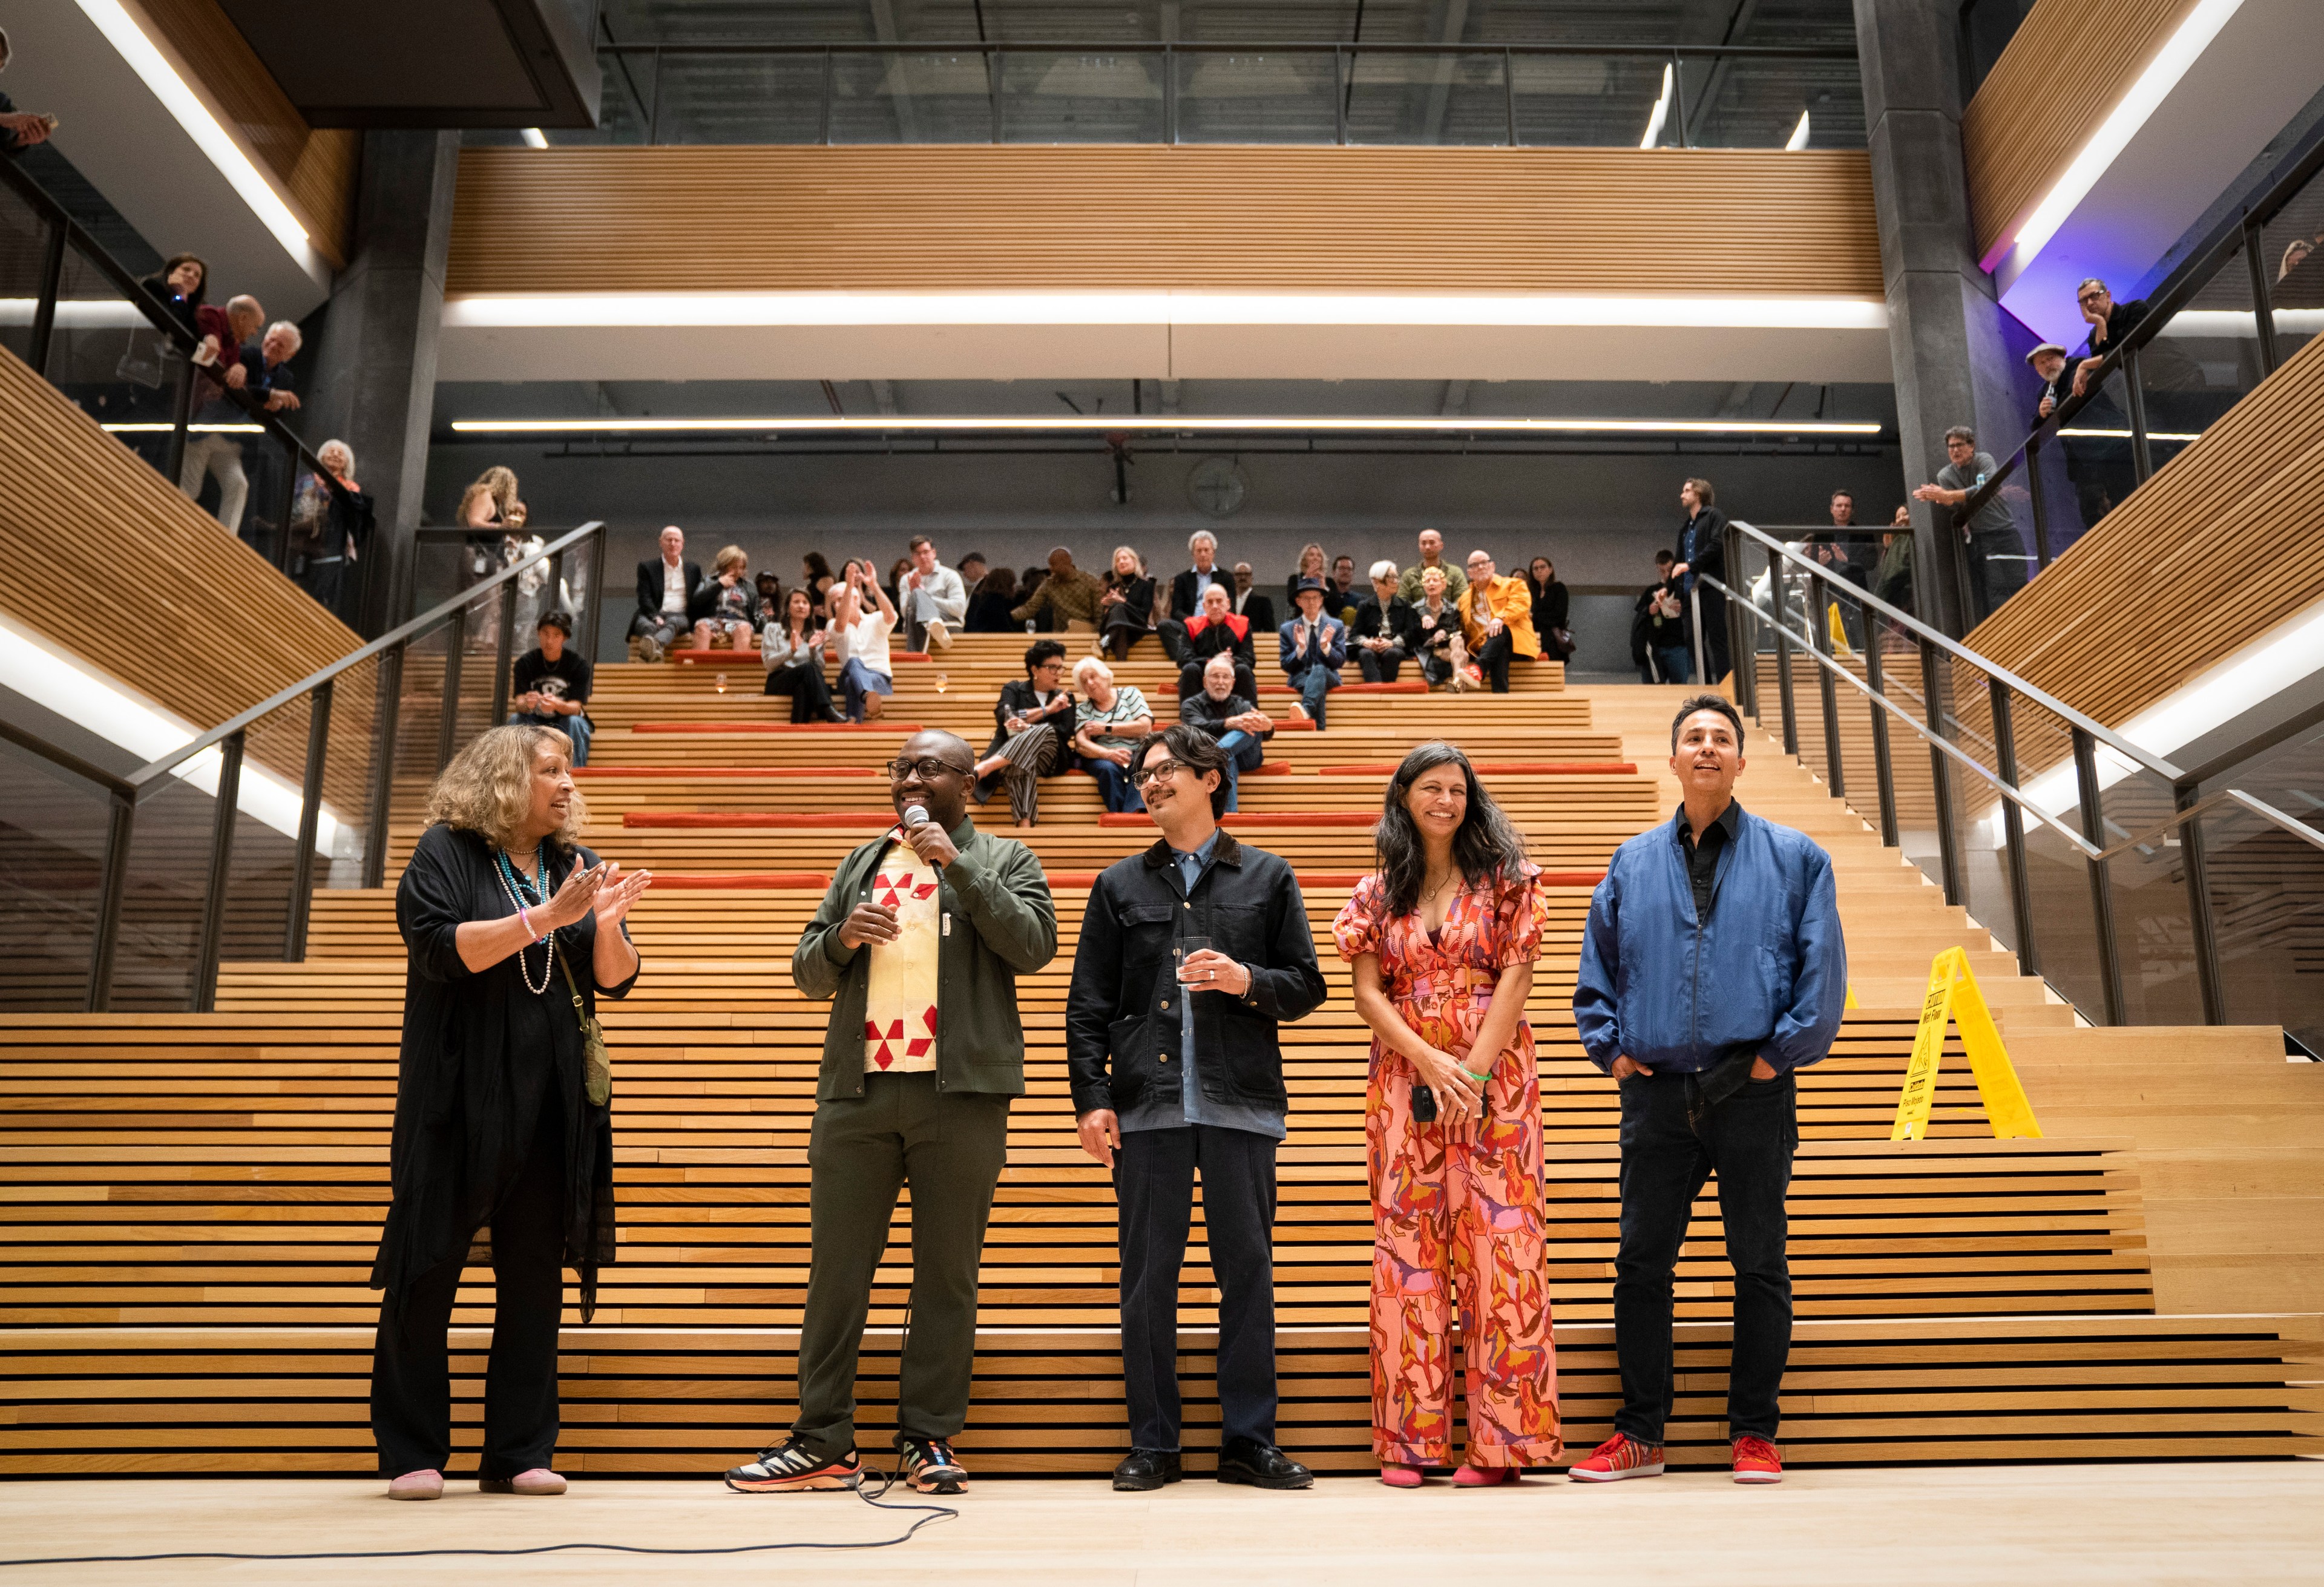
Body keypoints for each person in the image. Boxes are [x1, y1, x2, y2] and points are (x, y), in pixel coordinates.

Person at [727, 732, 1057, 1496]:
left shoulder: (1006, 859)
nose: (911, 777)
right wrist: (841, 939)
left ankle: (928, 1439)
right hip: (859, 1093)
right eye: (901, 767)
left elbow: (1034, 946)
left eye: (929, 767)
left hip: (962, 1096)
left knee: (947, 1274)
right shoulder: (861, 862)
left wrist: (958, 864)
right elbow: (807, 971)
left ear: (967, 784)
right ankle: (822, 1440)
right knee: (837, 1272)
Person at [1569, 695, 1846, 1488]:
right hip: (1657, 1094)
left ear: (1740, 760)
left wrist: (1774, 1058)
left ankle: (1755, 1432)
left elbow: (1820, 973)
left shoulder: (1798, 857)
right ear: (1674, 758)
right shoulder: (1632, 861)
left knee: (1758, 1262)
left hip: (1753, 1090)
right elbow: (1599, 970)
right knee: (1640, 1265)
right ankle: (1640, 1435)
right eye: (1694, 737)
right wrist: (1613, 1054)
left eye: (1722, 738)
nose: (1707, 747)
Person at [371, 724, 650, 1500]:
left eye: (570, 772)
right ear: (504, 780)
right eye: (550, 771)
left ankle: (519, 1451)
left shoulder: (577, 866)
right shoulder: (445, 852)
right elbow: (439, 948)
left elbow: (616, 981)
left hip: (551, 1099)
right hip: (456, 1096)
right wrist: (548, 920)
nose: (568, 785)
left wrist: (611, 924)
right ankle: (413, 1452)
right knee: (426, 1270)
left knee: (534, 1281)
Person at [1066, 724, 1327, 1494]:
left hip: (1239, 1106)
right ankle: (1155, 1444)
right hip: (1146, 1110)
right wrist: (1091, 1100)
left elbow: (1307, 986)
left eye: (1165, 770)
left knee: (1246, 1272)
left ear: (1212, 779)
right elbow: (1087, 1008)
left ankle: (1249, 1441)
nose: (1149, 783)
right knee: (1148, 1279)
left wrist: (1247, 980)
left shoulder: (1268, 877)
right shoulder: (1118, 886)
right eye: (1141, 775)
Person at [1336, 743, 1558, 1485]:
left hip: (1497, 1082)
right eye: (1431, 788)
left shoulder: (1508, 881)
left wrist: (1474, 1071)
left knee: (1504, 1257)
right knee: (1408, 1257)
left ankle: (1505, 1447)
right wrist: (1430, 1063)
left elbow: (1515, 980)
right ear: (1403, 796)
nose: (1446, 801)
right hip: (1405, 1082)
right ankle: (1409, 1442)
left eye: (1458, 789)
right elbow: (1369, 994)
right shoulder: (1375, 892)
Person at [1912, 425, 2027, 623]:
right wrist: (1945, 499)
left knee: (2020, 582)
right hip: (1982, 537)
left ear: (1971, 446)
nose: (1955, 451)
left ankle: (2030, 624)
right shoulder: (1945, 476)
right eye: (1951, 447)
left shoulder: (1984, 460)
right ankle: (2005, 630)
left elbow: (1987, 489)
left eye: (1959, 445)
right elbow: (1957, 508)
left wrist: (1947, 495)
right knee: (1994, 588)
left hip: (2007, 531)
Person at [176, 295, 265, 530]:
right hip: (195, 422)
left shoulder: (234, 344)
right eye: (256, 326)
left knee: (238, 484)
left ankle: (226, 541)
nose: (256, 333)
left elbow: (229, 377)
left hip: (218, 432)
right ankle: (170, 527)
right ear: (243, 318)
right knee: (190, 487)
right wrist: (211, 339)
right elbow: (206, 342)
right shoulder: (211, 315)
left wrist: (239, 367)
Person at [971, 640, 1078, 826]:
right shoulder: (1014, 689)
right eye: (1052, 668)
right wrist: (1047, 711)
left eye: (1061, 668)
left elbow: (1065, 731)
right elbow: (1005, 715)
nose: (1059, 674)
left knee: (1044, 730)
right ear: (1035, 670)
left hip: (1051, 759)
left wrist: (1030, 725)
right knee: (1022, 759)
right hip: (1016, 756)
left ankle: (986, 767)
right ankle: (1025, 827)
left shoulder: (1066, 697)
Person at [1179, 652, 1275, 812]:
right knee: (1225, 757)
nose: (1221, 682)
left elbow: (1263, 731)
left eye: (1226, 677)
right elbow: (1196, 728)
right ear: (1205, 681)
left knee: (1252, 724)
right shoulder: (1191, 705)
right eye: (1215, 677)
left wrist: (1269, 727)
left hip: (1246, 758)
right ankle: (1231, 814)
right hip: (1211, 757)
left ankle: (1218, 753)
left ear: (1233, 683)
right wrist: (1228, 724)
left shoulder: (1242, 704)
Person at [289, 439, 372, 614]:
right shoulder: (306, 482)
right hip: (302, 543)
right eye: (331, 451)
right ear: (321, 457)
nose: (335, 455)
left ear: (346, 463)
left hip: (330, 548)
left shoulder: (350, 489)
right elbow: (293, 505)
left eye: (340, 453)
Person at [506, 613, 594, 765]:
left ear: (565, 638)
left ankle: (575, 776)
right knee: (515, 719)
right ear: (538, 633)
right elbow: (519, 703)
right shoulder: (525, 663)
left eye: (556, 635)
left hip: (564, 721)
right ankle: (513, 773)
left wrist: (557, 705)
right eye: (545, 634)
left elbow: (575, 707)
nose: (549, 640)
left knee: (576, 722)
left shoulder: (578, 665)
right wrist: (528, 704)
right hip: (534, 721)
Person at [1071, 656, 1154, 813]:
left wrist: (1106, 728)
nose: (1090, 683)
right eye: (1084, 681)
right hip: (1102, 756)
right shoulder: (1084, 709)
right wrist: (1109, 754)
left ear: (1105, 675)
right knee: (1107, 769)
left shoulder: (1130, 694)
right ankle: (1120, 816)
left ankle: (1130, 815)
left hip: (1136, 752)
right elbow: (1081, 744)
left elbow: (1145, 727)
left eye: (1093, 676)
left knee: (1141, 765)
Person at [1669, 478, 1731, 685]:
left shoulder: (1714, 515)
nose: (1682, 495)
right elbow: (1678, 561)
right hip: (1689, 592)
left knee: (1717, 638)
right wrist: (1669, 591)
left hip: (1710, 586)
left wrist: (1691, 565)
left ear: (1698, 494)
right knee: (1692, 639)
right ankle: (1706, 684)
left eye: (1686, 491)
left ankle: (1725, 685)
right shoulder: (1686, 527)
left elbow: (1717, 544)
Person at [1457, 551, 1539, 694]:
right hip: (1485, 648)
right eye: (1475, 565)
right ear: (1470, 573)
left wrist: (1500, 618)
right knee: (1498, 649)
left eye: (1485, 563)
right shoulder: (1464, 598)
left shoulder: (1514, 584)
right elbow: (1464, 627)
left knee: (1500, 629)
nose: (1481, 567)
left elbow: (1520, 604)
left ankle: (1479, 668)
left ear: (1493, 566)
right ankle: (1500, 699)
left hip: (1516, 643)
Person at [762, 588, 843, 724]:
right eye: (796, 602)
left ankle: (797, 732)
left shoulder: (815, 634)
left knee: (803, 687)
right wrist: (791, 651)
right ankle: (829, 711)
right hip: (779, 681)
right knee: (807, 669)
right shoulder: (773, 628)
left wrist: (812, 649)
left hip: (805, 682)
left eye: (805, 602)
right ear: (788, 608)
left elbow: (819, 669)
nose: (801, 606)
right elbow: (769, 664)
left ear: (810, 609)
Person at [830, 559, 898, 722]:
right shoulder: (832, 624)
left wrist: (874, 586)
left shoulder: (874, 620)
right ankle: (867, 695)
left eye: (842, 599)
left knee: (850, 681)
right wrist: (848, 586)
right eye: (834, 602)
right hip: (856, 679)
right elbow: (840, 625)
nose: (837, 605)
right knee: (854, 663)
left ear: (856, 600)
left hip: (879, 680)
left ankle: (854, 722)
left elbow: (890, 616)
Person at [1279, 577, 1346, 728]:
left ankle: (1306, 710)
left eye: (1315, 598)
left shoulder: (1335, 625)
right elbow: (1286, 665)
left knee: (1320, 670)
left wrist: (1325, 647)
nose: (1311, 602)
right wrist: (1300, 649)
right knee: (1317, 689)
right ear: (1298, 601)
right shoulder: (1287, 629)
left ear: (1321, 600)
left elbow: (1340, 661)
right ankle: (1315, 727)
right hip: (1300, 677)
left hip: (1329, 676)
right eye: (1306, 598)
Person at [1175, 582, 1258, 703]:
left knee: (1243, 669)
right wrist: (1214, 661)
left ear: (1228, 604)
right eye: (1210, 602)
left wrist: (1229, 662)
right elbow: (1183, 659)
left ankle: (1251, 718)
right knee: (1190, 669)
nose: (1215, 606)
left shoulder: (1242, 624)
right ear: (1204, 606)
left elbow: (1249, 659)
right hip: (1201, 677)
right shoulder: (1191, 625)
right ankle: (1189, 718)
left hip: (1232, 676)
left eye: (1219, 601)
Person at [2070, 277, 2151, 398]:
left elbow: (2125, 350)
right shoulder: (2093, 336)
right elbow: (2104, 366)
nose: (2089, 303)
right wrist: (2100, 323)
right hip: (2142, 389)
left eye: (2094, 296)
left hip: (2172, 373)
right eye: (2083, 301)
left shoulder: (2135, 309)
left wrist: (2084, 365)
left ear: (2108, 296)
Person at [631, 526, 700, 662]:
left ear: (682, 544)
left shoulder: (693, 570)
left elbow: (699, 599)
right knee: (645, 625)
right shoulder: (647, 568)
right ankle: (655, 655)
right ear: (661, 542)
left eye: (676, 540)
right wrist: (655, 617)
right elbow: (644, 597)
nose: (673, 544)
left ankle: (653, 648)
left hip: (680, 616)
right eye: (669, 540)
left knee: (674, 621)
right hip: (653, 613)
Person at [1161, 530, 1226, 661]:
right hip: (1191, 624)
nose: (1203, 554)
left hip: (1217, 623)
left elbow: (1231, 608)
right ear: (1193, 554)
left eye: (1207, 550)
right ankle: (1187, 661)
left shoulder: (1226, 577)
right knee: (1164, 626)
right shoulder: (1182, 579)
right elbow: (1176, 611)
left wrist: (1211, 619)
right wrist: (1194, 623)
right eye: (1199, 551)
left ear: (1213, 553)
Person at [1351, 561, 1418, 683]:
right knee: (1366, 654)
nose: (1396, 581)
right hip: (1371, 647)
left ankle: (1384, 693)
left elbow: (1411, 633)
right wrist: (1367, 642)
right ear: (1377, 581)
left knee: (1392, 654)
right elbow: (1354, 635)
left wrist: (1392, 643)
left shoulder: (1404, 605)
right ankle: (1377, 692)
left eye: (1397, 577)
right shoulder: (1364, 606)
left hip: (1394, 647)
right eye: (1391, 577)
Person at [1012, 547, 1104, 634]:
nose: (1050, 568)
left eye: (1053, 564)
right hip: (1060, 637)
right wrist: (1007, 617)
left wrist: (1095, 637)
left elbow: (1099, 615)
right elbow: (1030, 608)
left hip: (1085, 636)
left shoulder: (1090, 582)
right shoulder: (1049, 584)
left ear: (1066, 562)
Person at [1631, 551, 1691, 684]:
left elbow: (1695, 614)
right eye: (1662, 571)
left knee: (1680, 688)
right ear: (1658, 570)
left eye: (1669, 570)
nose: (1666, 575)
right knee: (1652, 690)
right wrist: (1649, 610)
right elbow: (1640, 615)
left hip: (1678, 646)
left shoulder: (1683, 590)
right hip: (1654, 647)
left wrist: (1683, 608)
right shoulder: (1651, 591)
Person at [899, 535, 965, 652]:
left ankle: (916, 661)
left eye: (926, 552)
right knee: (915, 604)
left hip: (948, 624)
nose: (922, 557)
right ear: (913, 558)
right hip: (917, 624)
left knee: (918, 595)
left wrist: (924, 597)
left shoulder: (950, 575)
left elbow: (959, 608)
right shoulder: (906, 579)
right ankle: (932, 623)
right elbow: (905, 612)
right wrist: (916, 595)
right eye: (918, 554)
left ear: (934, 553)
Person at [690, 545, 760, 653]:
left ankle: (739, 669)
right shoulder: (708, 581)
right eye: (734, 567)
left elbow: (756, 612)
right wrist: (719, 585)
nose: (738, 571)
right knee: (701, 627)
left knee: (744, 629)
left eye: (741, 568)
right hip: (712, 621)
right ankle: (700, 669)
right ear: (724, 566)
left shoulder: (749, 586)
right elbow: (695, 602)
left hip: (739, 622)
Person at [0, 27, 56, 154]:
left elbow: (4, 150)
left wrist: (21, 141)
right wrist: (4, 119)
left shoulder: (2, 103)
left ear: (1, 65)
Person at [1098, 544, 1158, 661]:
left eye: (1125, 558)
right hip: (1120, 629)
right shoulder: (1113, 587)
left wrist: (1123, 601)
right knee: (1120, 625)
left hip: (1138, 625)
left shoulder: (1146, 585)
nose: (1121, 562)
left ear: (1135, 561)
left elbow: (1145, 613)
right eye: (1118, 560)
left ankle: (1104, 643)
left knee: (1119, 607)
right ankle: (1121, 669)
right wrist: (1107, 607)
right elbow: (1104, 618)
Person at [1411, 567, 1459, 688]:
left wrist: (1444, 633)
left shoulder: (1452, 609)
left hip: (1448, 654)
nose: (1431, 584)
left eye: (1435, 580)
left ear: (1443, 585)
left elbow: (1457, 631)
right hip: (1424, 654)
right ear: (1424, 586)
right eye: (1427, 581)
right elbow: (1413, 639)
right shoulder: (1415, 609)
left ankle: (1457, 684)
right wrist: (1423, 618)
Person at [1397, 530, 1467, 610]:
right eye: (1424, 543)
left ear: (1441, 545)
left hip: (1449, 620)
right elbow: (1402, 601)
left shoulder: (1455, 573)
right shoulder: (1409, 575)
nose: (1427, 547)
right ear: (1419, 546)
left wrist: (1444, 614)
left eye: (1432, 543)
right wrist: (1422, 614)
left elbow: (1462, 599)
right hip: (1417, 620)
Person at [1527, 557, 1572, 662]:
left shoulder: (1559, 588)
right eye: (1536, 569)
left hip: (1553, 640)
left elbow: (1560, 616)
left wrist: (1535, 616)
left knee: (1552, 673)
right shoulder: (1533, 592)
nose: (1539, 571)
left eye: (1543, 567)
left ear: (1550, 570)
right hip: (1535, 638)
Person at [962, 565, 1018, 631]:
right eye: (1013, 583)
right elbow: (1004, 627)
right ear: (1006, 584)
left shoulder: (985, 599)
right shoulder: (996, 602)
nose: (1015, 586)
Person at [2029, 342, 2074, 421]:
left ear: (2063, 358)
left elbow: (2073, 391)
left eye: (2050, 359)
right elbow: (2033, 425)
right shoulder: (2044, 391)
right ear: (2038, 371)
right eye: (2042, 363)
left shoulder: (2073, 364)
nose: (2048, 365)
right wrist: (2042, 414)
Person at [1230, 562, 1275, 636]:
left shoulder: (1263, 603)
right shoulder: (1227, 601)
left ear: (1252, 578)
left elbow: (1270, 632)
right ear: (1234, 577)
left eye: (1246, 574)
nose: (1243, 577)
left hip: (1252, 645)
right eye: (1239, 574)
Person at [1282, 543, 1329, 615]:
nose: (1315, 558)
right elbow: (1292, 601)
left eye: (1319, 555)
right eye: (1312, 555)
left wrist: (1324, 587)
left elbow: (1335, 606)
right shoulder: (1295, 579)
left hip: (1325, 622)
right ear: (1304, 560)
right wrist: (1306, 579)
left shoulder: (1329, 581)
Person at [800, 551, 838, 618]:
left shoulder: (827, 580)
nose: (803, 569)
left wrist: (831, 626)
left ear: (810, 566)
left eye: (805, 565)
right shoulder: (810, 585)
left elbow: (828, 609)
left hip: (821, 622)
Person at [1328, 556, 1361, 623]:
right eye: (1342, 568)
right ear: (1334, 572)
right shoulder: (1325, 599)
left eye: (1349, 569)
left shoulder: (1361, 601)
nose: (1346, 572)